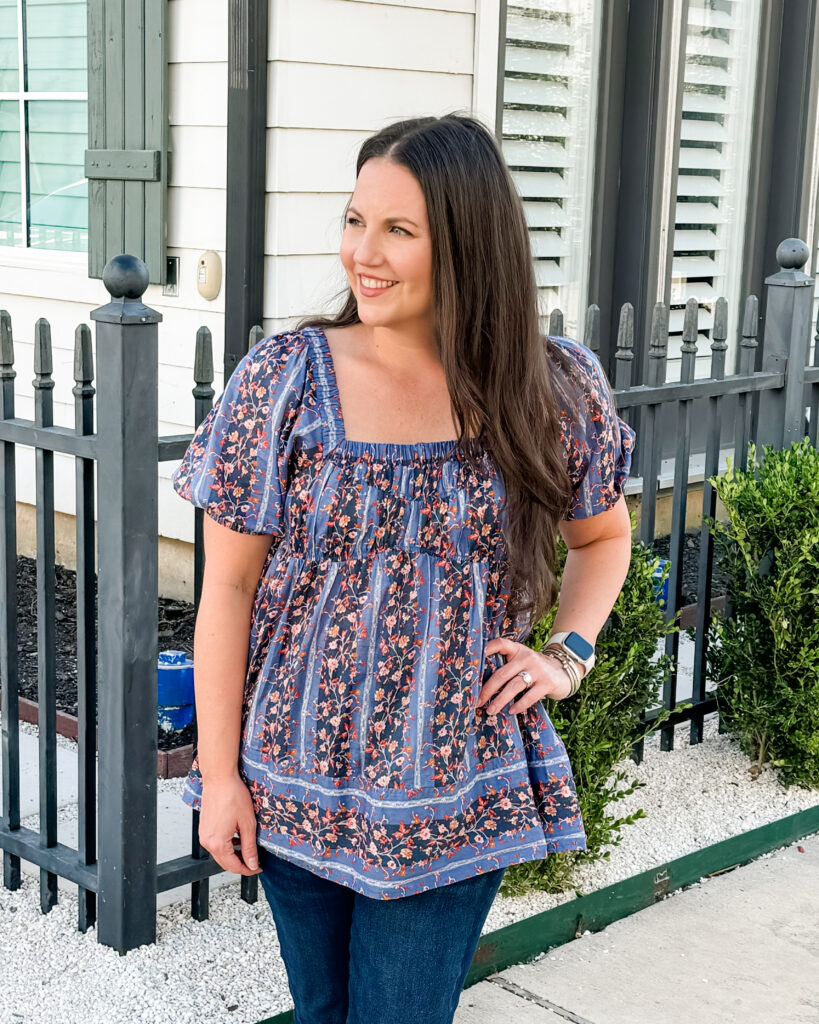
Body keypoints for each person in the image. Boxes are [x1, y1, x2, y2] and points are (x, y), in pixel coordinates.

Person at [172, 113, 635, 1024]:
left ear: (466, 244)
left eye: (398, 230)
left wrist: (565, 656)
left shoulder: (547, 387)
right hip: (293, 775)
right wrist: (220, 778)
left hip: (451, 784)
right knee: (322, 1014)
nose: (362, 255)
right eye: (354, 221)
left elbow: (602, 539)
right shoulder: (285, 380)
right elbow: (224, 586)